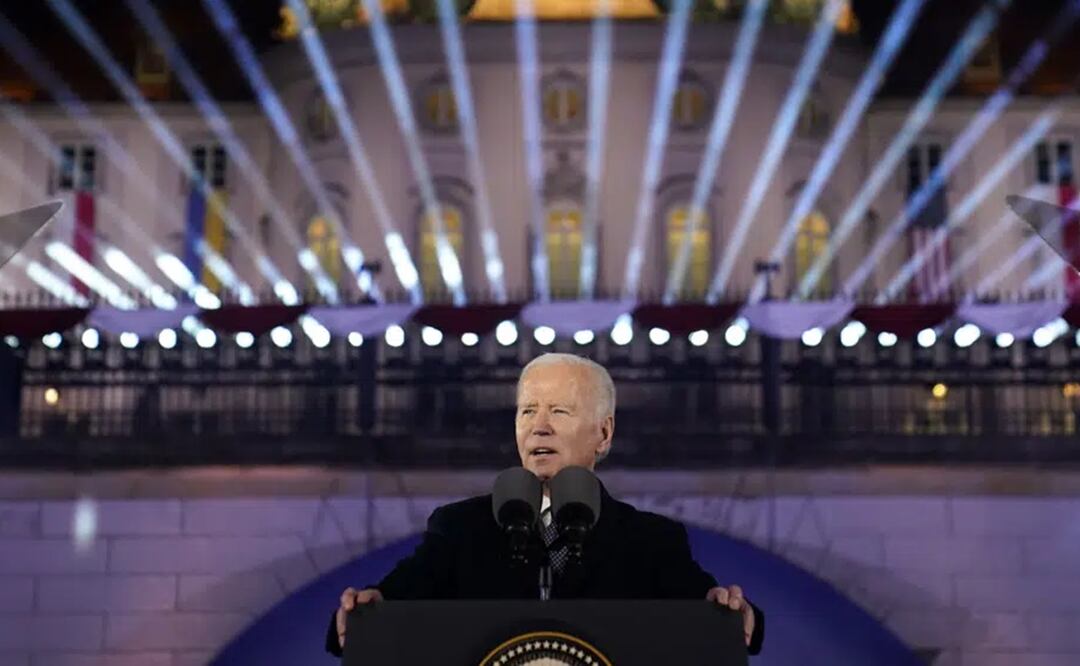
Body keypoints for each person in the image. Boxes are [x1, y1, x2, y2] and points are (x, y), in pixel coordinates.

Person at [327, 352, 764, 657]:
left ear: (604, 433)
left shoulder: (652, 541)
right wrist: (364, 610)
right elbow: (391, 601)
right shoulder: (459, 529)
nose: (539, 428)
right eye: (527, 411)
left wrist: (732, 611)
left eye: (559, 412)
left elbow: (711, 612)